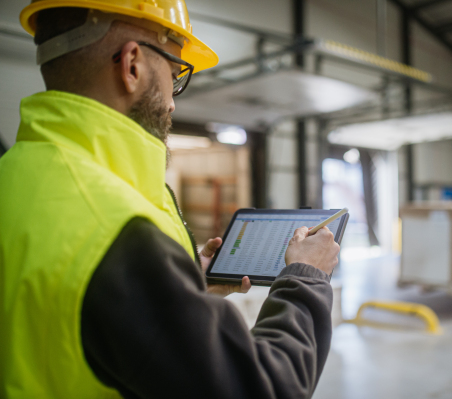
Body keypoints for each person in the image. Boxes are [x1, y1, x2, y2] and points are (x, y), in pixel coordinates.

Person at [0, 1, 340, 398]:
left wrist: (180, 281)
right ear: (132, 65)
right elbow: (266, 387)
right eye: (176, 74)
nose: (174, 100)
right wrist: (305, 277)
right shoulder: (118, 235)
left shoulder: (15, 174)